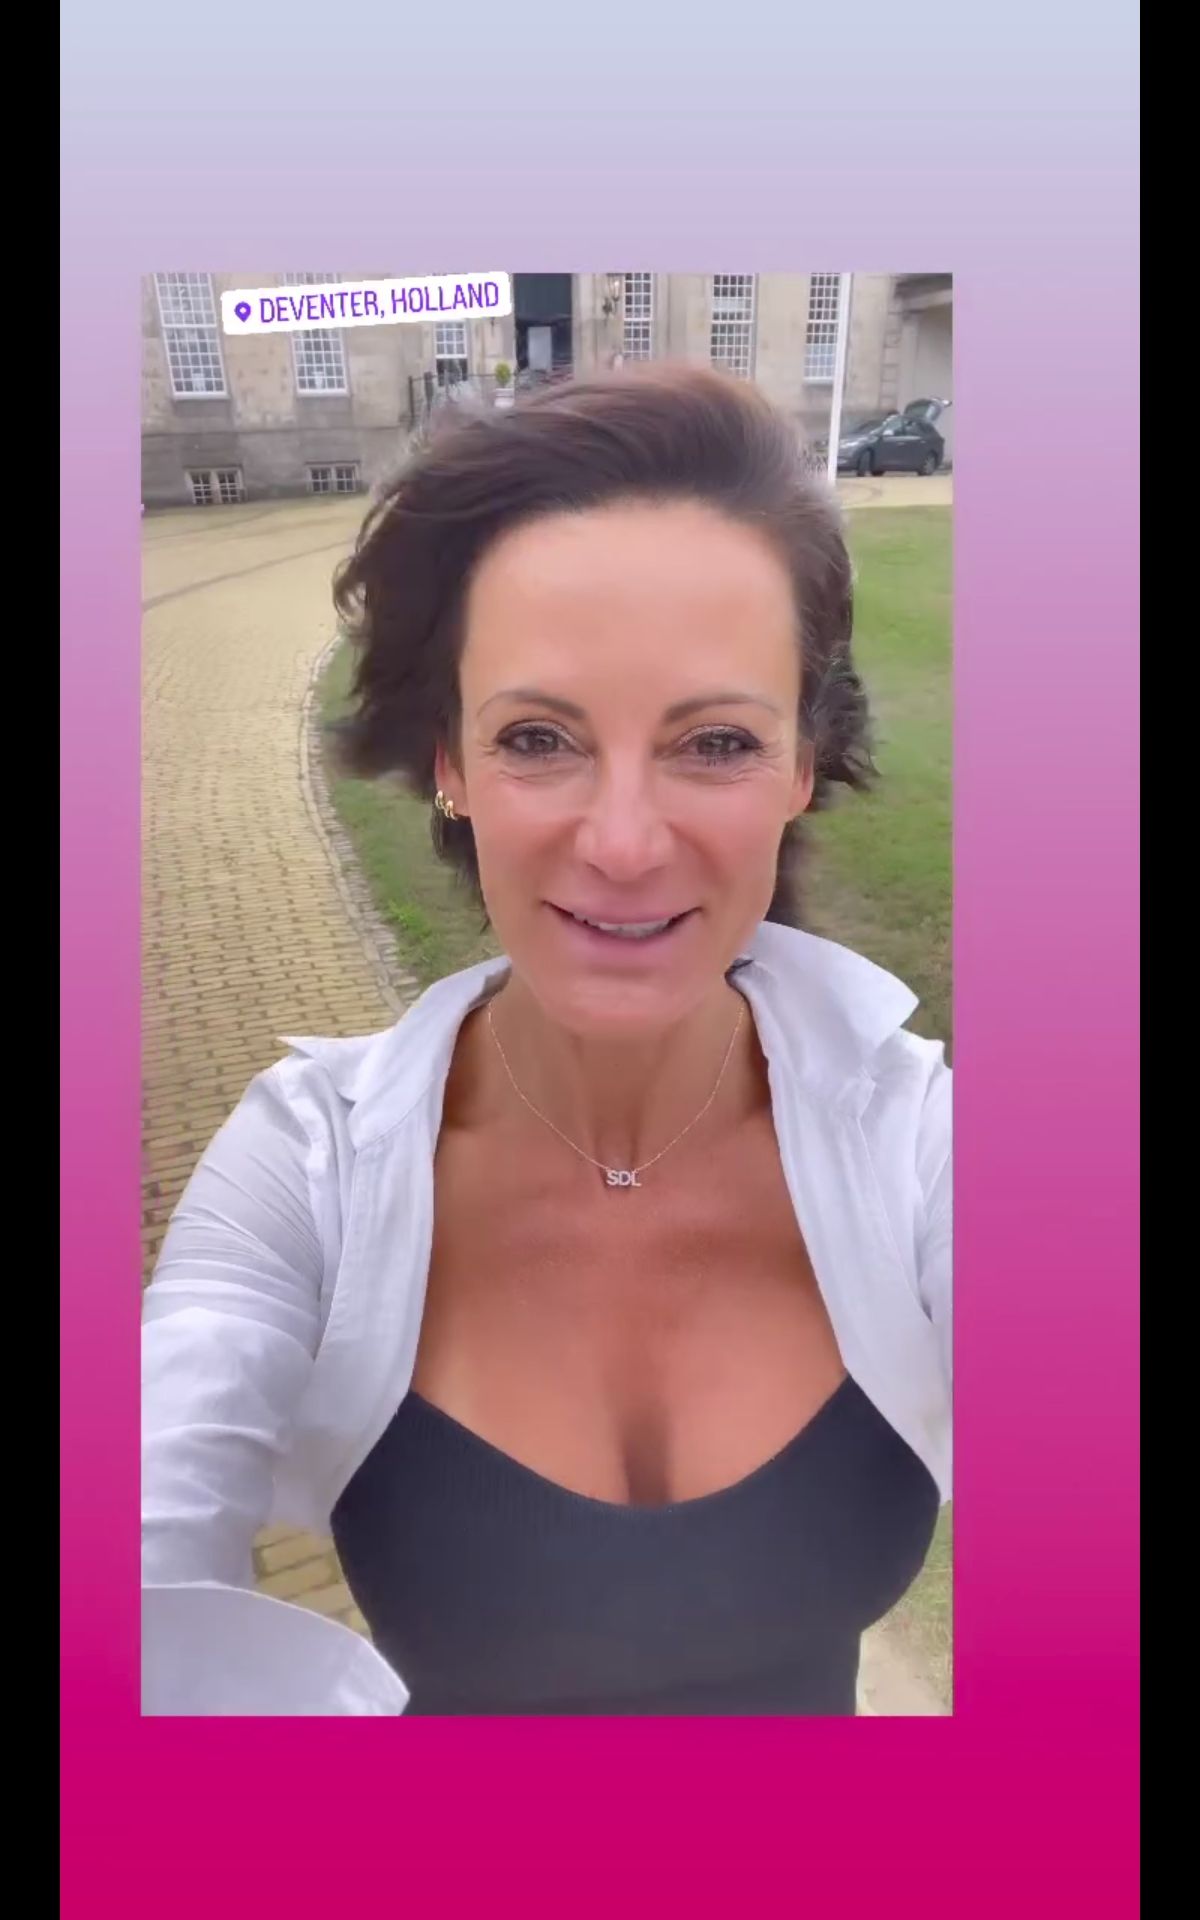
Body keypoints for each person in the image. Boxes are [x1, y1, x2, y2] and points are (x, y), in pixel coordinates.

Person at [141, 365, 951, 1717]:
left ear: (804, 763)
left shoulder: (924, 1147)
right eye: (537, 737)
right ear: (449, 763)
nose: (624, 843)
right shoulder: (309, 1170)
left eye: (714, 742)